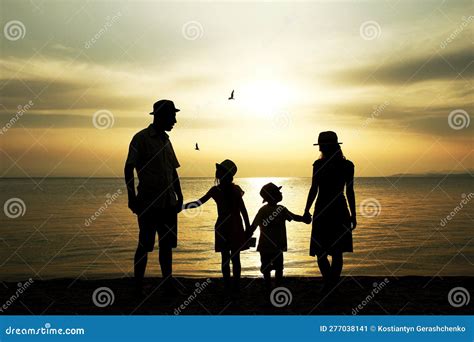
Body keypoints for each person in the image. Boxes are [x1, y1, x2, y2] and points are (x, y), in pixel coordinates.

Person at [124, 99, 183, 295]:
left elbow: (173, 171)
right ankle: (138, 285)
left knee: (166, 246)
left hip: (168, 203)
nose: (175, 120)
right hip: (149, 203)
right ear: (161, 117)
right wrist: (131, 197)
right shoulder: (140, 138)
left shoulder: (166, 140)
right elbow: (128, 167)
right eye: (172, 116)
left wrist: (180, 194)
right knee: (145, 245)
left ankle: (167, 283)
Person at [183, 159, 249, 293]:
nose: (218, 173)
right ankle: (234, 286)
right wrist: (247, 227)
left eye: (220, 171)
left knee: (227, 258)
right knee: (234, 258)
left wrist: (182, 207)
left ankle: (229, 286)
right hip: (234, 225)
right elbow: (243, 210)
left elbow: (198, 203)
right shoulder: (233, 189)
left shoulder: (219, 190)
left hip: (225, 225)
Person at [303, 131, 356, 292]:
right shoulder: (347, 165)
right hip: (339, 208)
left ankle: (329, 283)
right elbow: (350, 191)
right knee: (337, 251)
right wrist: (354, 214)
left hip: (323, 208)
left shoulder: (319, 165)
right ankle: (332, 283)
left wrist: (306, 210)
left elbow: (314, 189)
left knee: (321, 251)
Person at [246, 182, 309, 292]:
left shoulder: (263, 210)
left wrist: (246, 235)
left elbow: (254, 226)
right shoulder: (281, 209)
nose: (280, 193)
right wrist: (304, 219)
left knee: (266, 267)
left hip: (264, 245)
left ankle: (268, 285)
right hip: (278, 245)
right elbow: (294, 217)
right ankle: (278, 286)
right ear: (274, 195)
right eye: (278, 192)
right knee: (279, 267)